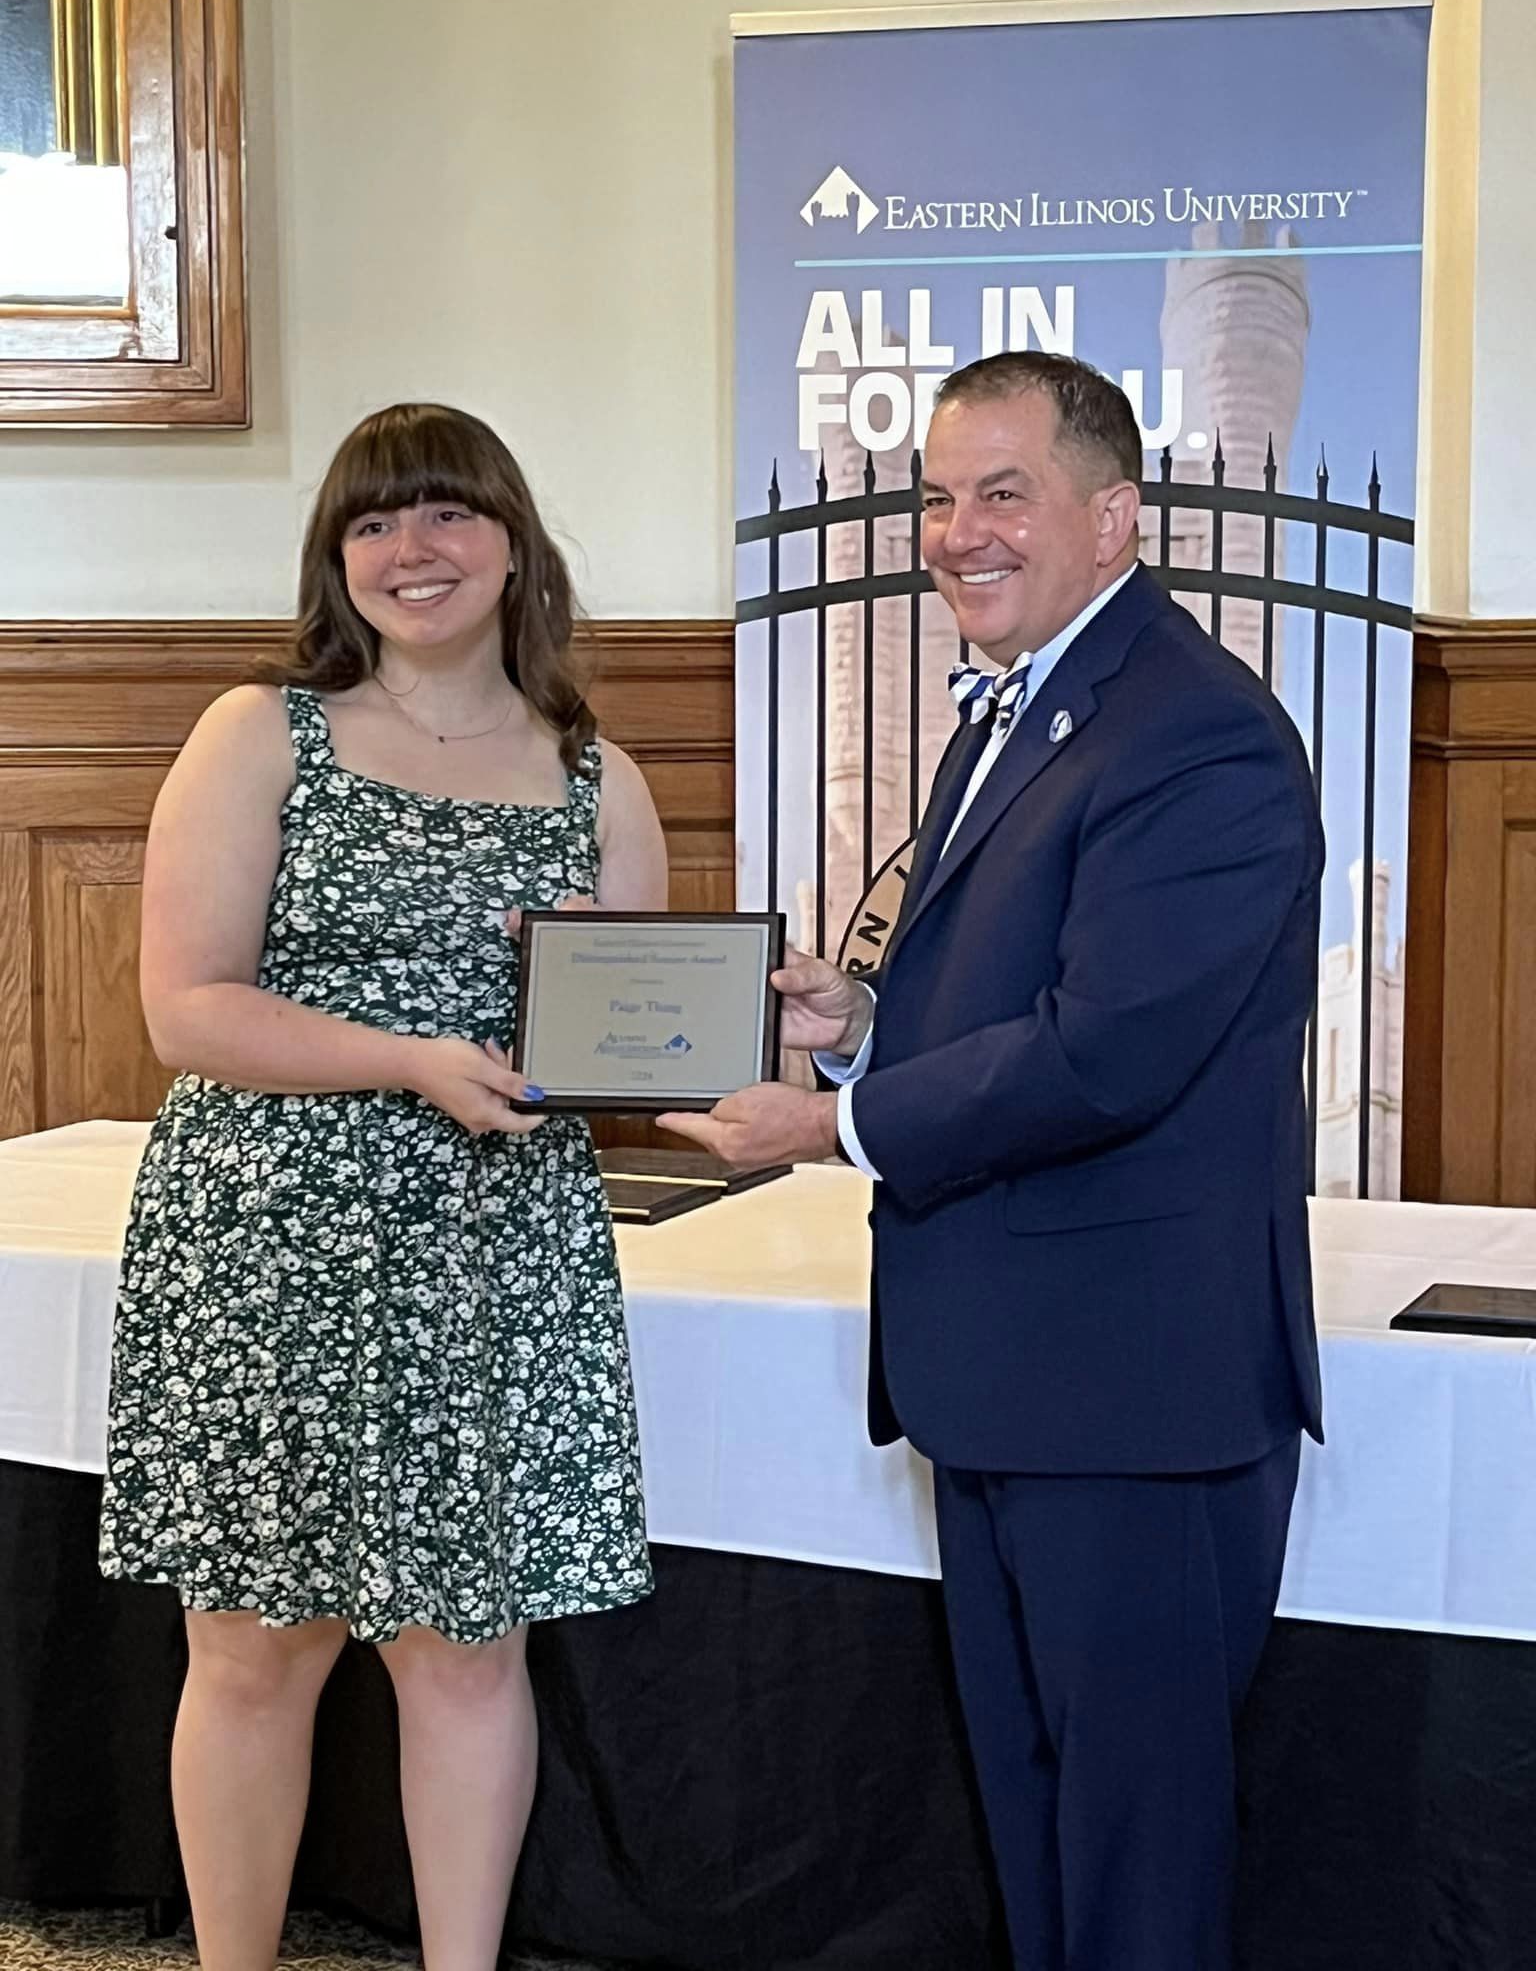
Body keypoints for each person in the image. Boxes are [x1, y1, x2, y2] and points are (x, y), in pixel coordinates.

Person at [660, 352, 1325, 1971]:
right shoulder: (1022, 705)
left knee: (1135, 1840)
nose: (957, 533)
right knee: (1036, 1810)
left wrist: (831, 1124)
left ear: (1117, 515)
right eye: (940, 498)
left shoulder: (1199, 740)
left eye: (1003, 493)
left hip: (1137, 1388)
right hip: (1018, 1369)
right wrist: (864, 1027)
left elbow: (1107, 1053)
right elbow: (1022, 1003)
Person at [100, 402, 668, 1971]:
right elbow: (185, 1009)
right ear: (334, 561)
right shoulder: (255, 732)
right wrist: (408, 1053)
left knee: (469, 1648)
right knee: (257, 1646)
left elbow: (632, 1051)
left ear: (514, 544)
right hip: (270, 1234)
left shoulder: (594, 776)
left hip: (497, 1245)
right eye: (373, 524)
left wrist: (767, 1032)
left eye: (446, 516)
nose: (410, 552)